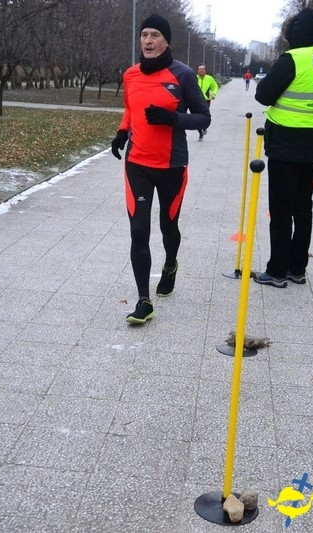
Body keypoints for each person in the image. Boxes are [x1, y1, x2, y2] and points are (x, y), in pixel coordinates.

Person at [110, 13, 211, 323]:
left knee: (168, 227)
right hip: (137, 163)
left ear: (166, 41)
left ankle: (170, 264)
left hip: (172, 166)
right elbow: (131, 108)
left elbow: (203, 118)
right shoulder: (130, 75)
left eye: (155, 35)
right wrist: (122, 132)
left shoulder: (182, 75)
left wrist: (173, 119)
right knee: (139, 231)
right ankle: (144, 301)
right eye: (144, 35)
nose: (148, 41)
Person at [251, 7, 313, 288]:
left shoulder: (292, 59)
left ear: (294, 33)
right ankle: (297, 268)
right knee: (303, 207)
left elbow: (263, 95)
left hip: (286, 144)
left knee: (281, 208)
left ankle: (276, 270)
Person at [196, 63, 218, 140]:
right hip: (195, 100)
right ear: (197, 71)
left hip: (206, 100)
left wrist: (214, 94)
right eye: (199, 69)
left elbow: (215, 86)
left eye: (203, 69)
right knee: (196, 117)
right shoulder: (194, 78)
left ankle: (204, 127)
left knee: (204, 115)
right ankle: (200, 133)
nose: (201, 70)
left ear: (205, 70)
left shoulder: (209, 78)